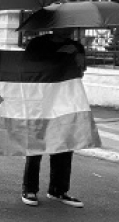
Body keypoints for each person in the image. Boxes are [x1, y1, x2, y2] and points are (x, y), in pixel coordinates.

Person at [20, 28, 86, 208]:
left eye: (71, 27)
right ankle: (29, 188)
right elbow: (28, 68)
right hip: (41, 99)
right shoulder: (37, 44)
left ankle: (58, 189)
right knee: (36, 144)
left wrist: (79, 60)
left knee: (64, 145)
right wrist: (58, 54)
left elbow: (80, 73)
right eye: (65, 25)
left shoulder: (75, 46)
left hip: (66, 101)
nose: (69, 30)